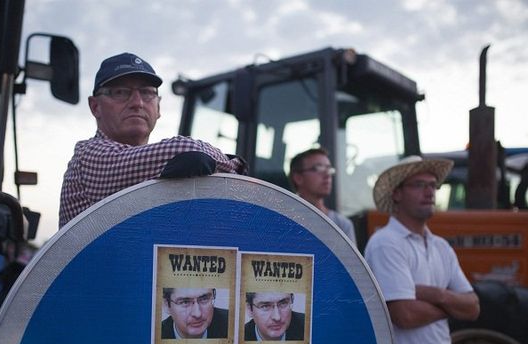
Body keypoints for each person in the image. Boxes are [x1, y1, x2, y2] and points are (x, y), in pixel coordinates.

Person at [59, 52, 247, 227]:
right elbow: (189, 151)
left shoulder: (158, 171)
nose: (137, 103)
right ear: (95, 107)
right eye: (120, 92)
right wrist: (234, 167)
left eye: (147, 92)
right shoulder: (89, 158)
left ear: (158, 108)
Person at [364, 156, 480, 344]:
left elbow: (473, 307)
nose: (429, 191)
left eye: (433, 185)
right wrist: (451, 305)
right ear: (396, 194)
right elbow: (404, 315)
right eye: (419, 185)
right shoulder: (386, 243)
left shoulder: (441, 247)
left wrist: (435, 294)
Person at [289, 148, 356, 244]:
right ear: (298, 178)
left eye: (329, 169)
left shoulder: (342, 225)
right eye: (318, 168)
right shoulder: (282, 219)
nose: (327, 175)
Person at [161, 288, 228, 339]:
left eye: (204, 299)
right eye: (185, 302)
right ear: (167, 305)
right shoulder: (156, 334)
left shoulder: (231, 322)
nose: (197, 314)